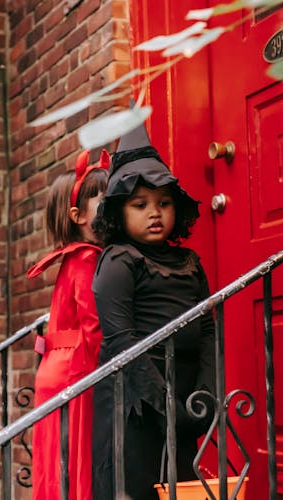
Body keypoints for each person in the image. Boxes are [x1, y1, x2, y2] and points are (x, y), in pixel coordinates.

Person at [90, 121, 216, 500]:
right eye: (140, 205)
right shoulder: (119, 260)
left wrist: (207, 392)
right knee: (137, 484)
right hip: (136, 398)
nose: (155, 213)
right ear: (119, 211)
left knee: (178, 484)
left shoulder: (190, 262)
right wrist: (164, 404)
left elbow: (208, 328)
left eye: (163, 203)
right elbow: (121, 341)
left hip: (186, 390)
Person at [27, 149, 110, 500]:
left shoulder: (72, 258)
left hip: (56, 366)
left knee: (56, 463)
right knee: (74, 463)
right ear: (78, 216)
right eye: (105, 206)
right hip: (75, 369)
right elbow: (94, 327)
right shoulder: (88, 259)